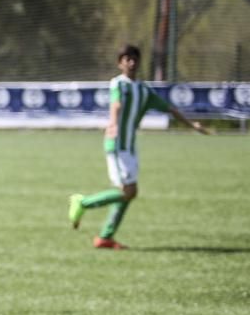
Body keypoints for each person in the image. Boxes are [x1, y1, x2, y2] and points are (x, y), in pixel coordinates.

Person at [68, 44, 210, 249]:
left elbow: (169, 108)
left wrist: (192, 124)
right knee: (129, 191)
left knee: (128, 192)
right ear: (120, 63)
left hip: (130, 147)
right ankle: (82, 203)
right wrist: (114, 124)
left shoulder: (143, 90)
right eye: (127, 58)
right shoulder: (118, 84)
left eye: (134, 58)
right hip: (117, 143)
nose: (131, 62)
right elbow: (116, 104)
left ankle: (105, 237)